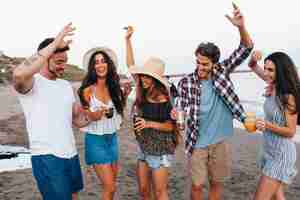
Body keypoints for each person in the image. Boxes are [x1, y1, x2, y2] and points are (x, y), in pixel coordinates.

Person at [170, 3, 253, 200]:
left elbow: (245, 48)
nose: (200, 67)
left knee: (216, 183)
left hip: (220, 140)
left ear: (214, 63)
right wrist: (175, 113)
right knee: (197, 185)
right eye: (198, 62)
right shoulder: (186, 82)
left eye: (205, 63)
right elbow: (180, 107)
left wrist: (241, 27)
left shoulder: (222, 72)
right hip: (197, 141)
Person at [12, 23, 89, 200]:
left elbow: (78, 120)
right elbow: (18, 75)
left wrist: (93, 114)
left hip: (70, 153)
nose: (63, 66)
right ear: (45, 58)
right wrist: (54, 44)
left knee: (73, 196)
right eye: (59, 62)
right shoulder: (32, 83)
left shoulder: (65, 86)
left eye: (65, 62)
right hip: (47, 157)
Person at [125, 26, 178, 200]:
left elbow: (171, 126)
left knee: (160, 192)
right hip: (144, 145)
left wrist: (148, 123)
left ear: (156, 79)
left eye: (149, 77)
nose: (144, 79)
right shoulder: (142, 87)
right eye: (143, 76)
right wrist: (128, 40)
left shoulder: (165, 97)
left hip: (161, 148)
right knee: (143, 189)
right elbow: (130, 65)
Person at [77, 47, 130, 200]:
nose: (100, 65)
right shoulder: (86, 91)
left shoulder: (114, 88)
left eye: (103, 61)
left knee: (112, 186)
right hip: (95, 141)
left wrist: (124, 96)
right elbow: (87, 116)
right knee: (110, 186)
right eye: (96, 63)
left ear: (108, 65)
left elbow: (118, 111)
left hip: (112, 139)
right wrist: (95, 115)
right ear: (93, 67)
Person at [248, 51, 299, 200]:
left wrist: (267, 125)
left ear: (280, 71)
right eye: (265, 68)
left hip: (281, 155)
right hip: (269, 151)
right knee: (277, 197)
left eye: (270, 70)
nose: (266, 73)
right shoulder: (272, 83)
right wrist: (253, 59)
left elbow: (291, 131)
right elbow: (252, 65)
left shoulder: (288, 96)